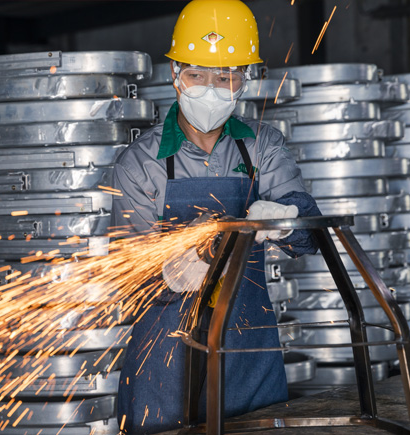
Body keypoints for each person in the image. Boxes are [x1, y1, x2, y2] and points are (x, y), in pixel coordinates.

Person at [111, 0, 322, 433]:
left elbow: (309, 236)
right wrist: (165, 270)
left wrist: (286, 218)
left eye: (225, 76)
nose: (210, 88)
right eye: (196, 75)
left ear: (244, 79)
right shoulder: (139, 162)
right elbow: (124, 267)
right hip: (166, 359)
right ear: (175, 76)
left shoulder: (262, 145)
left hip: (249, 349)